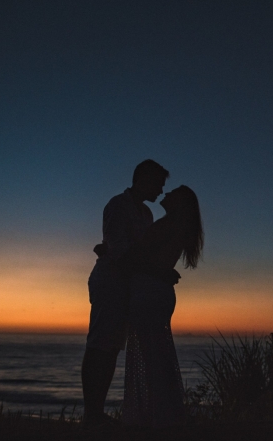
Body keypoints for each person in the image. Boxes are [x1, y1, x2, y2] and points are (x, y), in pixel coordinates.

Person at [82, 159, 171, 429]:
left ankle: (95, 414)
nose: (161, 190)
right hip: (110, 281)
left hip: (127, 286)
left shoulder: (146, 214)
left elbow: (136, 250)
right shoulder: (117, 205)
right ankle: (92, 414)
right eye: (158, 183)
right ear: (143, 178)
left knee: (111, 347)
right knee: (100, 345)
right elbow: (120, 252)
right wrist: (158, 272)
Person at [121, 185, 204, 428]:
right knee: (157, 356)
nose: (166, 193)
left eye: (173, 192)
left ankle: (160, 418)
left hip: (150, 293)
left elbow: (139, 260)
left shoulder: (168, 225)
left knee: (153, 358)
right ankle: (163, 415)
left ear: (180, 202)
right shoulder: (174, 226)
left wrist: (110, 251)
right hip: (155, 292)